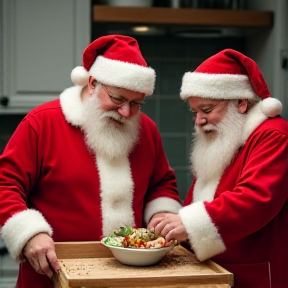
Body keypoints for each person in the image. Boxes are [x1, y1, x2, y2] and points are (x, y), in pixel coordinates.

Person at [0, 35, 182, 288]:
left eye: (136, 103)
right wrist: (29, 234)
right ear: (94, 83)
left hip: (130, 277)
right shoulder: (41, 123)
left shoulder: (147, 130)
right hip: (51, 274)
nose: (126, 112)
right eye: (118, 99)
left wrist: (162, 215)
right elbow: (5, 185)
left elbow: (161, 183)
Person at [148, 49, 288, 288]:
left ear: (241, 103)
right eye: (195, 111)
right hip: (215, 271)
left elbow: (255, 199)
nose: (198, 120)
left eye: (207, 109)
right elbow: (199, 200)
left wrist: (188, 224)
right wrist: (174, 226)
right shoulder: (224, 137)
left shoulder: (274, 135)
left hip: (255, 274)